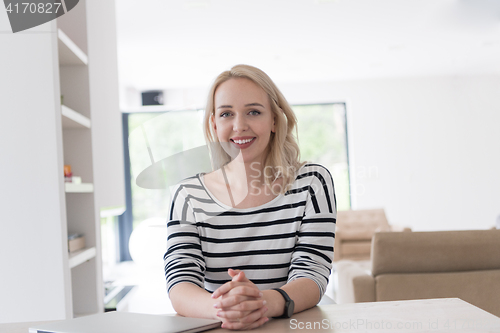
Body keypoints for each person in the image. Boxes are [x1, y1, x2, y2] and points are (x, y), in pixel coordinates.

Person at [164, 64, 336, 330]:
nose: (239, 126)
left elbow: (312, 273)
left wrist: (262, 302)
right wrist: (226, 309)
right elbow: (180, 282)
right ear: (213, 124)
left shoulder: (312, 182)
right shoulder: (188, 195)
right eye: (226, 114)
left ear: (275, 120)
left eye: (253, 112)